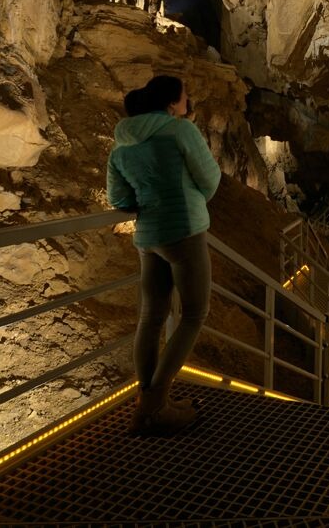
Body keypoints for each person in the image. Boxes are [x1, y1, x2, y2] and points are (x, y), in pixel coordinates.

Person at [107, 75, 222, 434]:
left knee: (151, 318)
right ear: (172, 103)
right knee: (194, 314)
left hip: (148, 237)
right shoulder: (180, 130)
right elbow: (210, 178)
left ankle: (150, 404)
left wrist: (149, 199)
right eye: (185, 96)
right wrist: (189, 198)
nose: (188, 101)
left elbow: (118, 199)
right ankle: (154, 406)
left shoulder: (121, 146)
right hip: (184, 232)